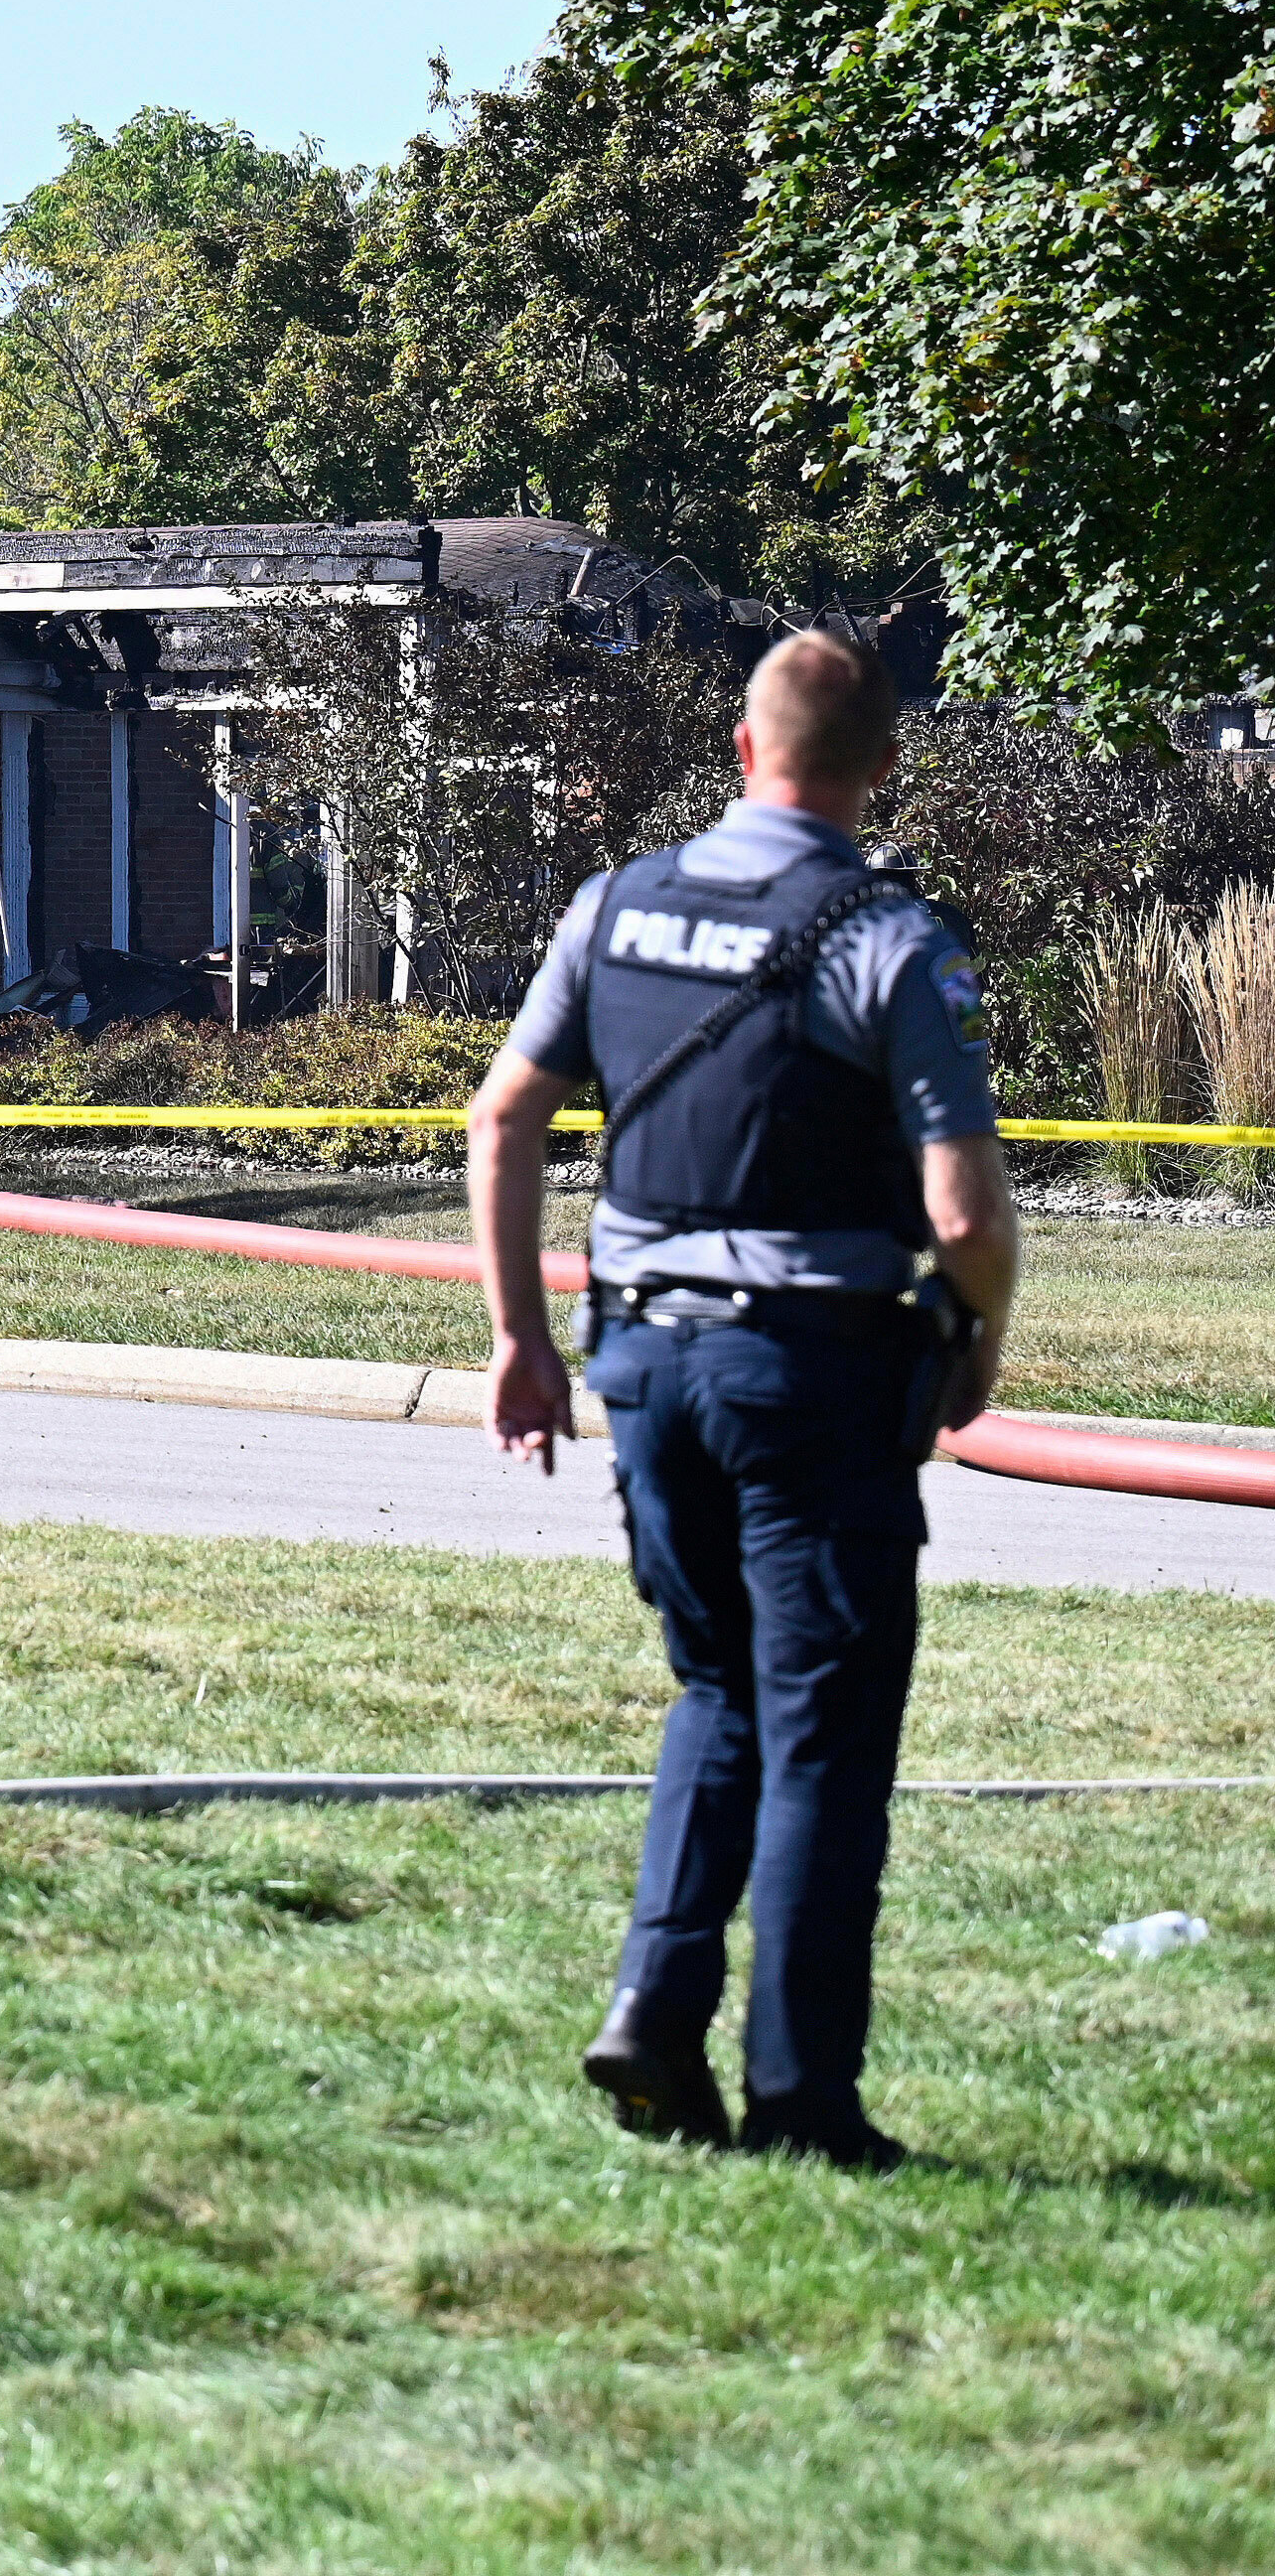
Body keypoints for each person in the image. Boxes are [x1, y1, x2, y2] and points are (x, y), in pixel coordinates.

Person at [468, 626, 1014, 2174]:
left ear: (739, 745)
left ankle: (653, 2002)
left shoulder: (617, 904)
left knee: (717, 1690)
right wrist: (977, 1335)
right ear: (883, 765)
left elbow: (505, 1113)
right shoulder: (890, 935)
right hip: (814, 1375)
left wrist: (522, 1336)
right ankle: (804, 2100)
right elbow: (964, 1215)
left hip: (641, 1363)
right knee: (827, 1731)